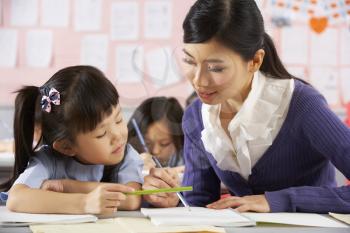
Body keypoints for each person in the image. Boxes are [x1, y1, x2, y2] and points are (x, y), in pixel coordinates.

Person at [142, 0, 350, 213]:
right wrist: (173, 201)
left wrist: (275, 201)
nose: (199, 81)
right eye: (190, 61)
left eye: (216, 68)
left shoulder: (302, 105)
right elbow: (201, 204)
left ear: (255, 61)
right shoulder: (196, 117)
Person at [0, 65, 143, 214]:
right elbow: (16, 198)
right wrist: (84, 203)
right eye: (101, 134)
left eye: (119, 120)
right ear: (66, 147)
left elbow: (132, 197)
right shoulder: (50, 161)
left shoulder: (125, 155)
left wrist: (67, 186)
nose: (117, 135)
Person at [127, 97, 184, 172]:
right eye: (147, 143)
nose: (155, 151)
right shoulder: (128, 160)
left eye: (164, 143)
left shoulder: (192, 157)